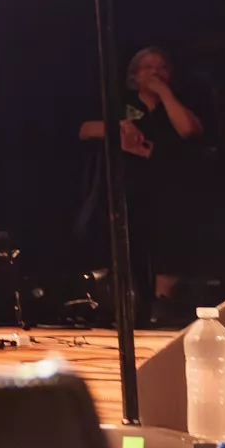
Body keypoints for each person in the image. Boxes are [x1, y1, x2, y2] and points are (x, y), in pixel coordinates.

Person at [79, 46, 206, 325]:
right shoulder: (120, 104)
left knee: (168, 249)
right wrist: (117, 128)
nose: (155, 73)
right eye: (147, 68)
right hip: (127, 191)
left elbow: (188, 130)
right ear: (134, 76)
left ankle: (163, 311)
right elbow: (83, 129)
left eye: (161, 67)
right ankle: (124, 311)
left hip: (168, 191)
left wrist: (163, 93)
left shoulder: (178, 104)